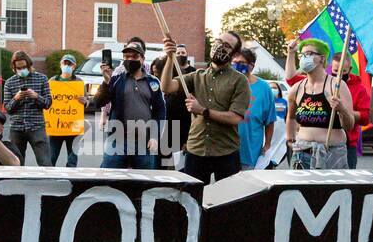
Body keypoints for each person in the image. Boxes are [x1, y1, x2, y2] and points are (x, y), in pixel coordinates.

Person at [160, 31, 250, 184]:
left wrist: (202, 110)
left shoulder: (239, 80)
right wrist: (170, 58)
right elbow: (167, 87)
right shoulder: (196, 76)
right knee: (193, 201)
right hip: (196, 150)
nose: (220, 46)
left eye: (226, 46)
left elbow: (235, 117)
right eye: (219, 41)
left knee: (227, 202)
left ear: (234, 54)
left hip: (226, 152)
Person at [96, 40, 166, 170]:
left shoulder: (153, 82)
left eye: (134, 56)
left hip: (144, 143)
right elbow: (99, 102)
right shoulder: (116, 79)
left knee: (144, 183)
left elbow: (160, 111)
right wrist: (106, 82)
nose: (130, 59)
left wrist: (155, 137)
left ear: (142, 58)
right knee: (110, 181)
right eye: (127, 56)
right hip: (117, 141)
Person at [286, 39, 356, 170]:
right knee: (303, 190)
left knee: (332, 190)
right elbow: (291, 117)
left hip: (332, 152)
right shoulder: (297, 88)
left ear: (321, 58)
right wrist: (290, 139)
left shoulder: (337, 85)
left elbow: (349, 125)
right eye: (301, 55)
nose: (303, 58)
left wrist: (342, 109)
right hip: (302, 152)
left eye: (309, 54)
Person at [2, 51, 53, 166]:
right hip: (17, 128)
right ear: (14, 68)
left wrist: (36, 96)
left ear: (29, 65)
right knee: (16, 163)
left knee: (45, 162)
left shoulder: (42, 79)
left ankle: (47, 182)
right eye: (18, 68)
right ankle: (17, 183)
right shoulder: (9, 83)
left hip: (37, 126)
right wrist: (16, 98)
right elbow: (7, 108)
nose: (22, 70)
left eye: (24, 67)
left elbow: (48, 103)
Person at [234, 48, 275, 170]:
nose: (236, 65)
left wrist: (267, 144)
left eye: (240, 63)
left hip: (250, 152)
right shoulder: (228, 83)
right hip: (226, 152)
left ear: (251, 66)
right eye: (234, 62)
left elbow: (270, 120)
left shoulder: (263, 88)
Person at [331, 51, 371, 169]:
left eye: (343, 71)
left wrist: (344, 111)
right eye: (335, 71)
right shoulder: (325, 83)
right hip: (325, 142)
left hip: (347, 145)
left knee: (345, 183)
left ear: (350, 69)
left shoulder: (359, 89)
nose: (338, 75)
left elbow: (367, 116)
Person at [48, 53, 87, 168]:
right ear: (60, 65)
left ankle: (71, 178)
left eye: (70, 64)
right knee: (51, 156)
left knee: (72, 157)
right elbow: (46, 101)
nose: (67, 66)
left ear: (74, 67)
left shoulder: (79, 82)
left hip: (73, 125)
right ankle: (48, 177)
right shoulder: (52, 81)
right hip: (56, 126)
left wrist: (85, 101)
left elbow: (86, 101)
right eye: (65, 63)